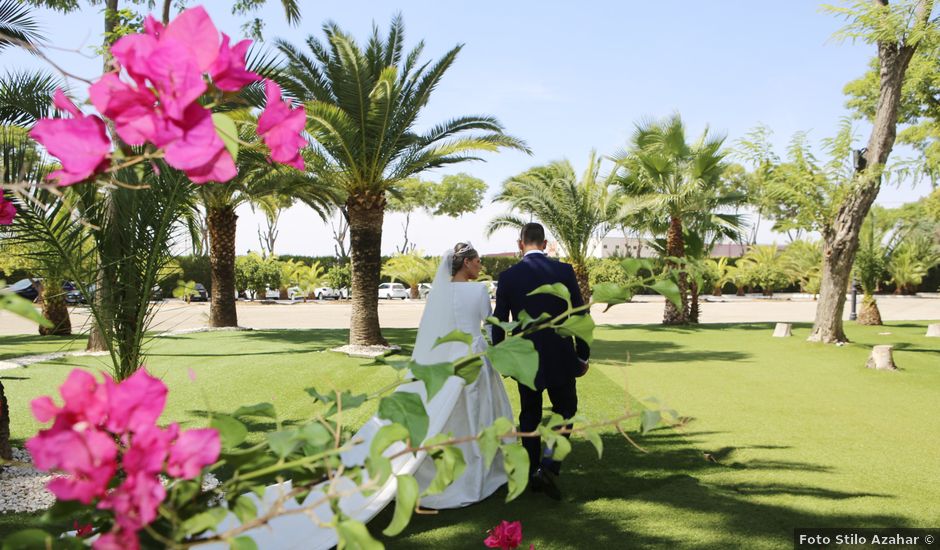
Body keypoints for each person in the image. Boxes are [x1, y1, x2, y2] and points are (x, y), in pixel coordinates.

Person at [492, 222, 590, 500]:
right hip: (560, 354)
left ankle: (534, 470)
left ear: (520, 243)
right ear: (545, 244)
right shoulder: (564, 271)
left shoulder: (508, 276)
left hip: (525, 360)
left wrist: (502, 357)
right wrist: (582, 354)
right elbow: (580, 314)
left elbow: (499, 322)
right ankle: (548, 465)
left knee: (530, 415)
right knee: (566, 410)